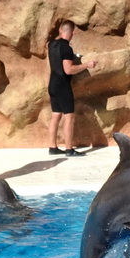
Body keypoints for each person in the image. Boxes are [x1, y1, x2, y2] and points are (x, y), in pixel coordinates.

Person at [47, 21, 97, 157]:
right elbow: (68, 70)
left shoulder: (51, 45)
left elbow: (58, 61)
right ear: (72, 33)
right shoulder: (66, 48)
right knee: (69, 117)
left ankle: (53, 147)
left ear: (60, 30)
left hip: (52, 84)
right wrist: (86, 65)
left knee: (55, 115)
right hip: (63, 86)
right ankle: (69, 149)